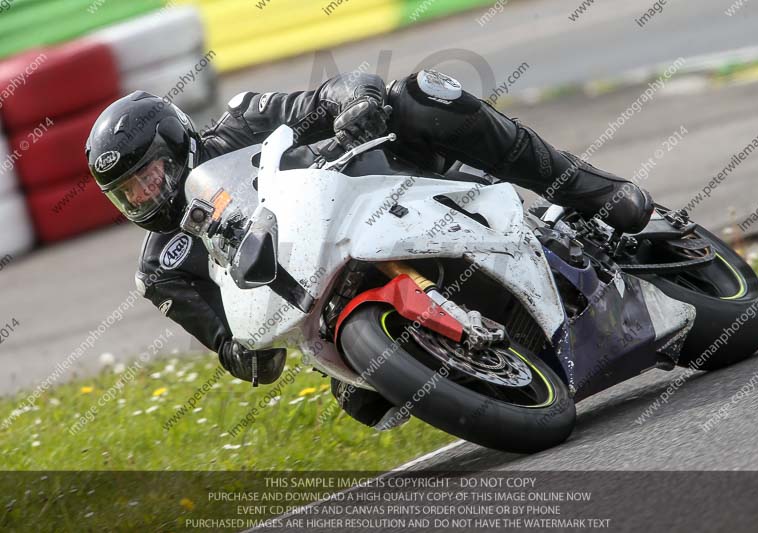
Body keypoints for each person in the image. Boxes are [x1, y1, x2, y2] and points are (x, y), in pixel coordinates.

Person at [86, 70, 652, 428]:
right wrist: (240, 354)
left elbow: (324, 94)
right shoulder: (163, 271)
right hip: (325, 309)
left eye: (150, 176)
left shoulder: (241, 120)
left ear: (178, 142)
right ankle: (481, 367)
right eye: (128, 194)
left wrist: (353, 101)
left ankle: (590, 189)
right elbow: (237, 349)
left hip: (382, 196)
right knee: (362, 401)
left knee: (420, 95)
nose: (144, 197)